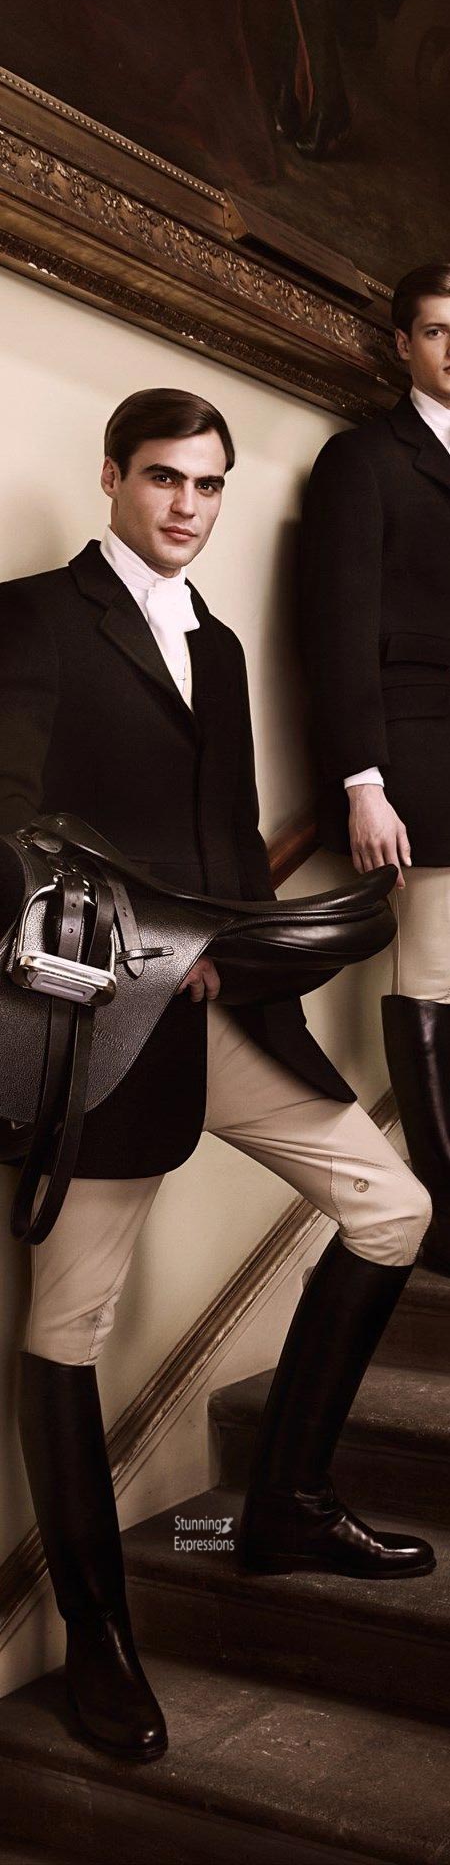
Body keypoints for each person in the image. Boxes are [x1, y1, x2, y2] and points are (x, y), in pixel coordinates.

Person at [0, 386, 434, 1767]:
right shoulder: (32, 617)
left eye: (207, 483)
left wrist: (252, 945)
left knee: (394, 1209)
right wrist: (151, 945)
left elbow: (232, 835)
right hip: (98, 1034)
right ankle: (99, 1641)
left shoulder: (222, 643)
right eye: (162, 477)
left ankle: (283, 1506)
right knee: (68, 1326)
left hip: (227, 1007)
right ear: (114, 478)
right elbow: (9, 829)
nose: (186, 505)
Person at [300, 260, 450, 1275]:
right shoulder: (362, 459)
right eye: (437, 330)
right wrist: (363, 779)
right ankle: (447, 1211)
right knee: (433, 968)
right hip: (420, 751)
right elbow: (337, 629)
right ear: (403, 344)